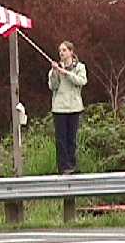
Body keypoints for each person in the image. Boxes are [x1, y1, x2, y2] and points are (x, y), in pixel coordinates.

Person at [48, 41, 87, 175]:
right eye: (60, 51)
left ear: (71, 51)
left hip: (74, 107)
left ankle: (72, 165)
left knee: (72, 139)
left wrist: (66, 73)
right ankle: (63, 167)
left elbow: (82, 81)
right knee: (61, 139)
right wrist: (55, 72)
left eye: (64, 50)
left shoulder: (80, 67)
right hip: (59, 108)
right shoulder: (56, 67)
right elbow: (53, 86)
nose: (61, 53)